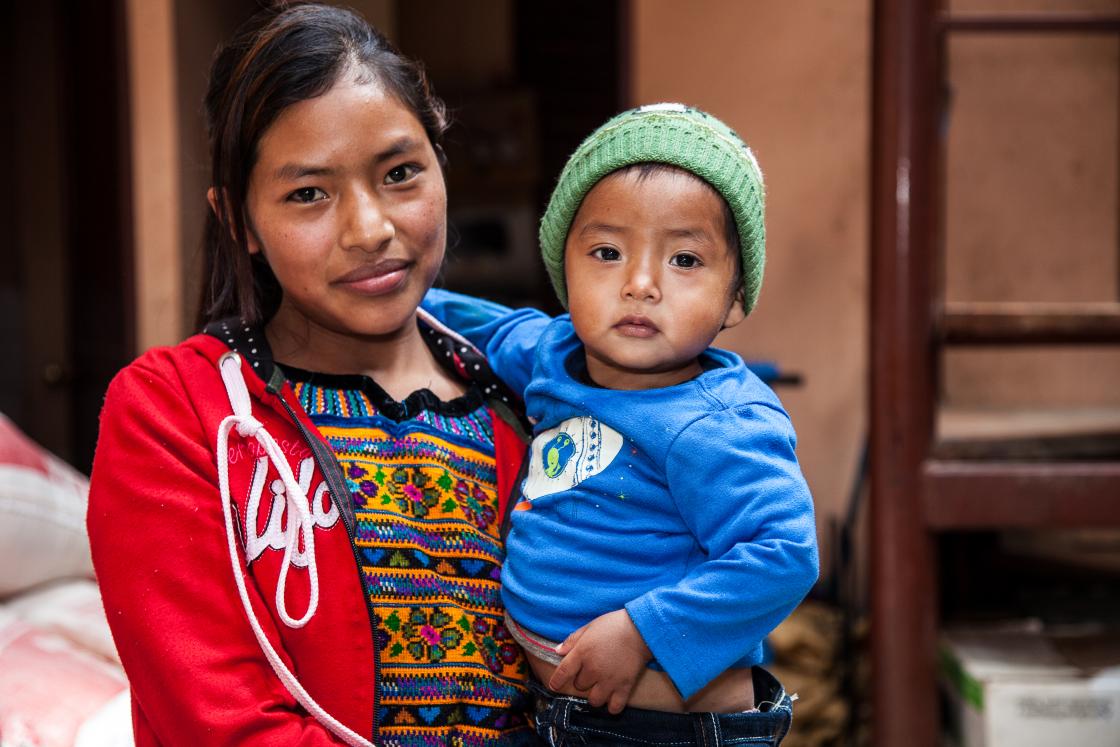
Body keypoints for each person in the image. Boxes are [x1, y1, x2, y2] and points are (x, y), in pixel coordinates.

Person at [86, 4, 538, 745]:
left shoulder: (527, 394)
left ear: (440, 163)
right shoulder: (178, 412)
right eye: (308, 194)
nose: (370, 229)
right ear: (239, 220)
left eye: (400, 173)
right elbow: (222, 722)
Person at [422, 104, 819, 746]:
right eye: (607, 252)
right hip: (560, 706)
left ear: (736, 297)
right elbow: (476, 323)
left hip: (660, 724)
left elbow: (783, 555)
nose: (640, 284)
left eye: (684, 260)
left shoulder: (716, 422)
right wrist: (394, 292)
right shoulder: (553, 354)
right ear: (564, 271)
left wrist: (642, 632)